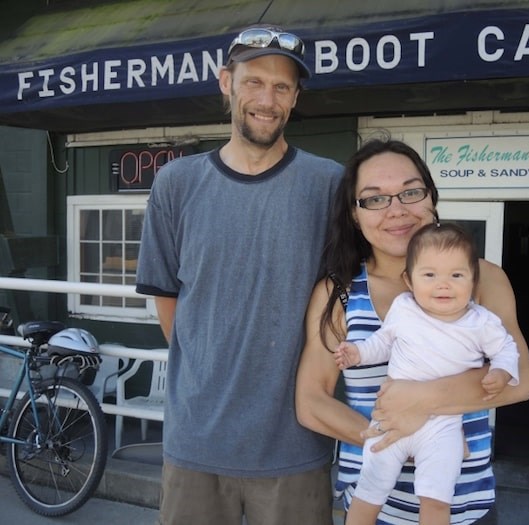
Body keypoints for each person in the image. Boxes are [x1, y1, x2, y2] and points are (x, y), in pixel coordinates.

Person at [136, 24, 344, 525]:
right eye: (254, 81)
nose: (266, 99)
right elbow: (167, 300)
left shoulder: (330, 183)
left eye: (281, 87)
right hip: (197, 445)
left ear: (295, 98)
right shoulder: (176, 183)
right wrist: (210, 366)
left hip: (295, 444)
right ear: (225, 82)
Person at [296, 139, 529, 524]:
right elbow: (311, 402)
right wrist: (395, 437)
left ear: (431, 197)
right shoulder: (338, 292)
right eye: (374, 199)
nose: (397, 210)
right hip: (373, 508)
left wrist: (419, 401)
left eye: (410, 192)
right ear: (354, 214)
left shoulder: (482, 278)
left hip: (464, 507)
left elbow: (518, 381)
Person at [334, 222, 520, 525]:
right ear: (409, 280)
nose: (443, 284)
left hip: (443, 427)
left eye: (457, 275)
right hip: (391, 420)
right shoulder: (404, 308)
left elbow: (508, 349)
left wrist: (500, 370)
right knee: (369, 492)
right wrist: (358, 353)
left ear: (473, 280)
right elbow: (382, 343)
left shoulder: (480, 322)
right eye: (430, 275)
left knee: (435, 499)